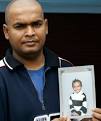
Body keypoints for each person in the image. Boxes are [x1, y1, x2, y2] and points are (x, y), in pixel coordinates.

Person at [0, 0, 101, 121]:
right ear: (6, 32)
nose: (30, 33)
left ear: (46, 26)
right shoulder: (1, 76)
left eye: (36, 24)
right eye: (20, 26)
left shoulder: (67, 69)